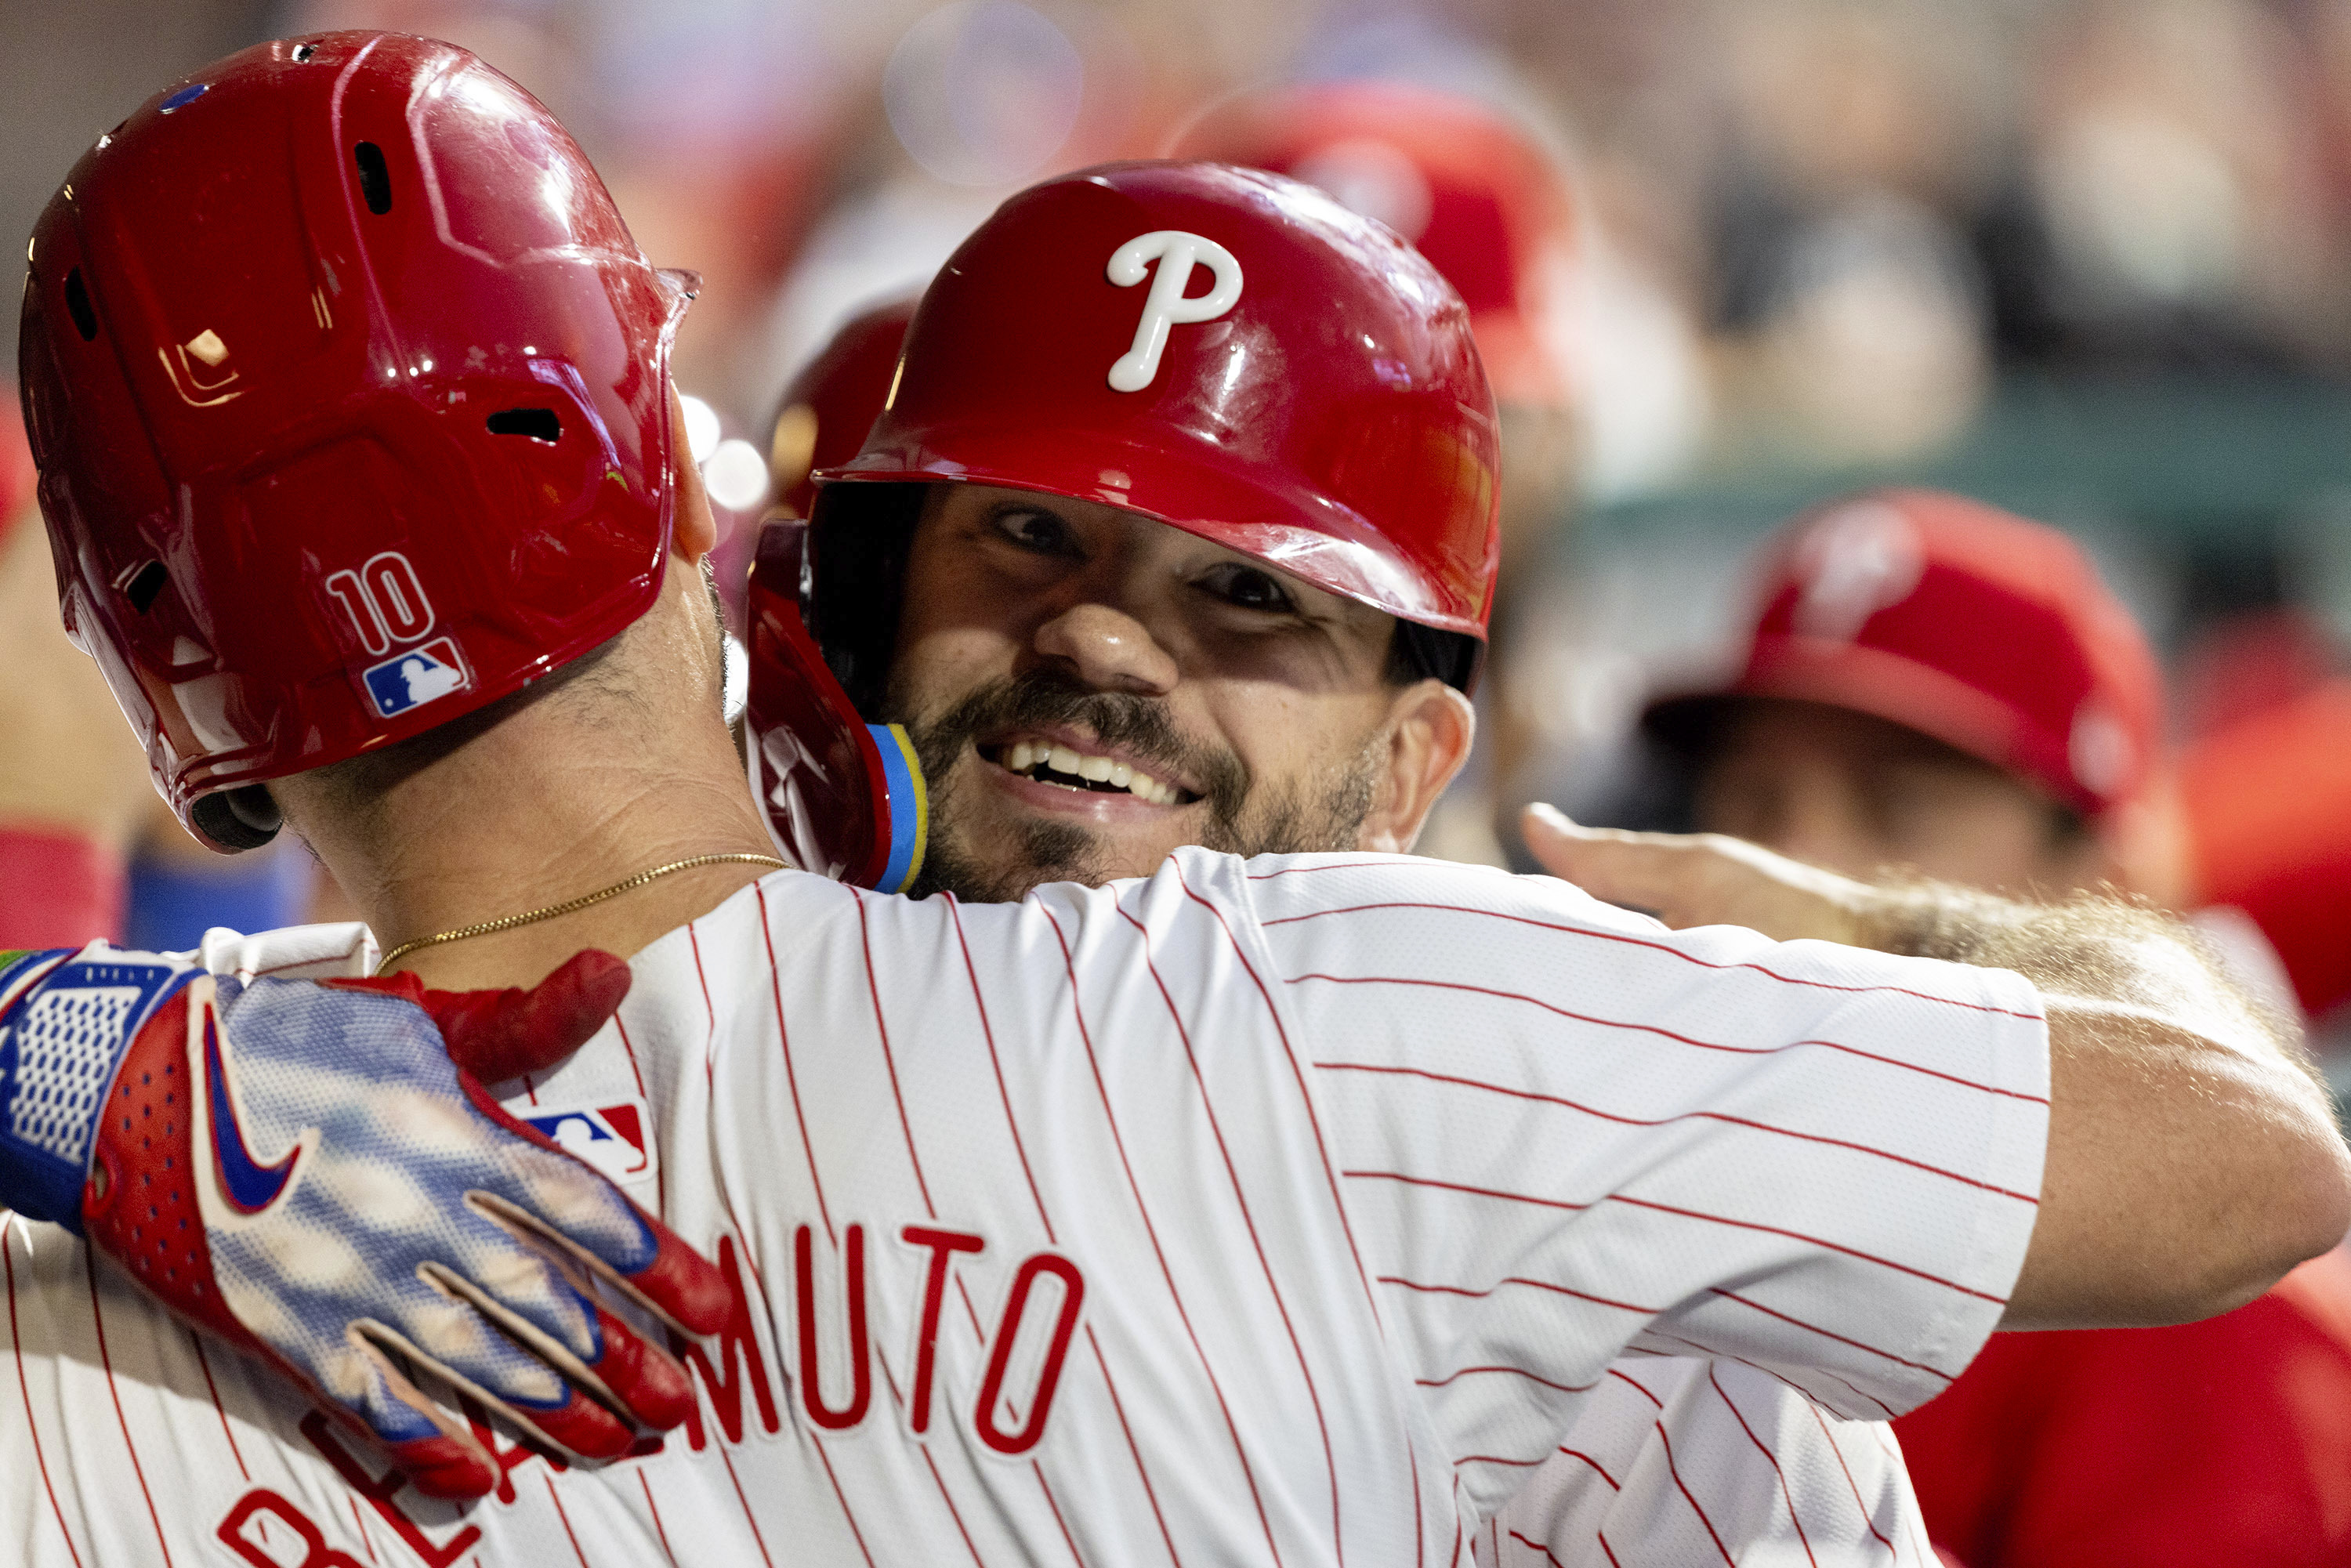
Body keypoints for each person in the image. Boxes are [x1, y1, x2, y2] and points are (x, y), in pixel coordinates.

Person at [7, 34, 2345, 1568]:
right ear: (740, 526)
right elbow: (2251, 1134)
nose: (1110, 647)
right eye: (1026, 541)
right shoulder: (1358, 1028)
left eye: (1247, 602)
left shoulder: (112, 1225)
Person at [1563, 486, 2351, 1566]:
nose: (1801, 866)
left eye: (1899, 811)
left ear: (2107, 882)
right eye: (1754, 798)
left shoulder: (2209, 1297)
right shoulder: (1658, 1172)